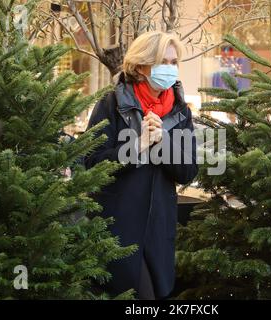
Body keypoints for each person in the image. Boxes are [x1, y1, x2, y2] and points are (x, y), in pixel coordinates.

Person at [84, 31, 198, 300]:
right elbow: (91, 163)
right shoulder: (111, 104)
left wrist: (164, 142)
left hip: (158, 230)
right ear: (140, 66)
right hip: (117, 228)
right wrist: (137, 146)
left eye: (173, 62)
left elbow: (188, 171)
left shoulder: (181, 111)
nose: (170, 69)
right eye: (163, 62)